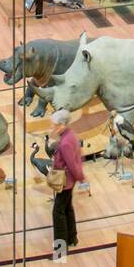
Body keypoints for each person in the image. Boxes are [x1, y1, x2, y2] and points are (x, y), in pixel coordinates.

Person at [50, 109, 86, 255]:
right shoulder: (71, 135)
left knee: (58, 212)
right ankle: (72, 238)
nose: (53, 128)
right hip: (71, 180)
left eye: (55, 125)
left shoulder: (65, 143)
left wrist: (80, 176)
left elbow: (71, 163)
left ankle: (60, 249)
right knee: (67, 208)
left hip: (66, 181)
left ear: (62, 125)